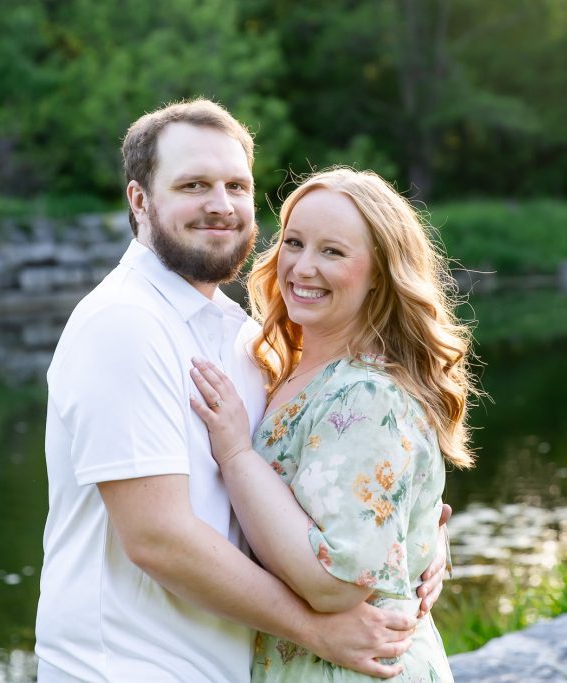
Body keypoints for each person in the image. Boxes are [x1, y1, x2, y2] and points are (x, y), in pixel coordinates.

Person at [35, 100, 452, 683]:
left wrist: (415, 542)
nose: (221, 204)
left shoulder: (243, 337)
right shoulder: (123, 323)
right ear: (139, 200)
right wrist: (314, 629)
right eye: (194, 184)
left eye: (236, 185)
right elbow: (158, 540)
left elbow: (333, 479)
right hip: (132, 666)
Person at [188, 167, 476, 681]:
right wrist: (421, 543)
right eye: (294, 243)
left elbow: (335, 582)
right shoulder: (285, 369)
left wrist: (235, 454)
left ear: (379, 276)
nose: (301, 267)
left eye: (332, 252)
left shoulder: (365, 394)